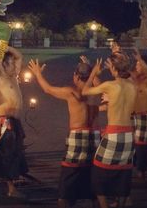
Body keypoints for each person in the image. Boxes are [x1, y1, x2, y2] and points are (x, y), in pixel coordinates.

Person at [29, 59, 95, 207]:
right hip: (93, 137)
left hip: (77, 137)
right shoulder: (94, 90)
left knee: (67, 180)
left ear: (76, 76)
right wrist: (91, 67)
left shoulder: (71, 92)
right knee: (88, 176)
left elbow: (48, 89)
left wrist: (38, 74)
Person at [82, 54, 137, 208]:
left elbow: (85, 91)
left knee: (98, 171)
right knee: (123, 171)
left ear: (113, 68)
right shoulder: (133, 85)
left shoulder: (110, 85)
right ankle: (121, 202)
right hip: (128, 135)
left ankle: (104, 205)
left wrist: (93, 71)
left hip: (114, 134)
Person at [0, 45, 29, 197]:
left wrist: (6, 46)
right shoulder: (0, 76)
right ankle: (11, 188)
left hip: (13, 120)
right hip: (3, 120)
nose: (15, 65)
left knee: (5, 153)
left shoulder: (13, 76)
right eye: (11, 63)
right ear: (4, 65)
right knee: (7, 153)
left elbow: (20, 56)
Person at [130, 48, 147, 180]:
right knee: (132, 144)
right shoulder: (136, 78)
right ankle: (134, 168)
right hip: (134, 115)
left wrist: (140, 59)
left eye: (139, 64)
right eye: (136, 64)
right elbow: (122, 72)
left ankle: (141, 172)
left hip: (145, 116)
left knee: (142, 146)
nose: (137, 66)